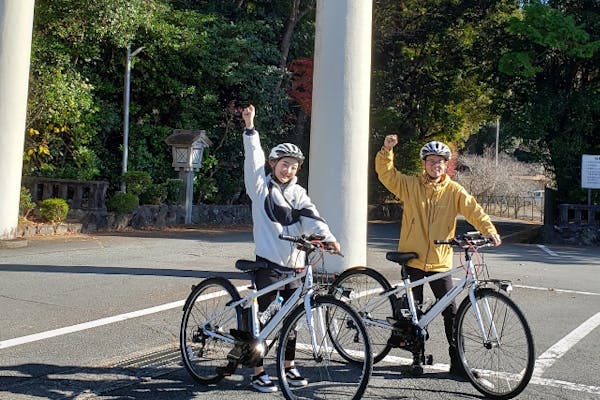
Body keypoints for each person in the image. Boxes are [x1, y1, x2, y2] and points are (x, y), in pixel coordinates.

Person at [375, 134, 501, 377]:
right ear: (424, 163)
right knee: (415, 312)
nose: (436, 165)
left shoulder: (454, 190)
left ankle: (458, 363)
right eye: (432, 161)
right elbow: (387, 174)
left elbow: (474, 210)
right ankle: (416, 359)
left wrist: (489, 230)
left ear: (446, 165)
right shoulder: (410, 186)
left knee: (451, 313)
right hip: (412, 259)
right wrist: (386, 151)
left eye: (441, 161)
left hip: (440, 262)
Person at [241, 104, 341, 392]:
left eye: (294, 166)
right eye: (284, 163)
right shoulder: (260, 188)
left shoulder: (298, 192)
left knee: (292, 320)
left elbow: (312, 216)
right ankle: (257, 370)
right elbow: (253, 159)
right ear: (273, 164)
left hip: (296, 266)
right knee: (261, 320)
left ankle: (288, 366)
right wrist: (250, 128)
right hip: (269, 264)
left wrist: (329, 238)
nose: (289, 169)